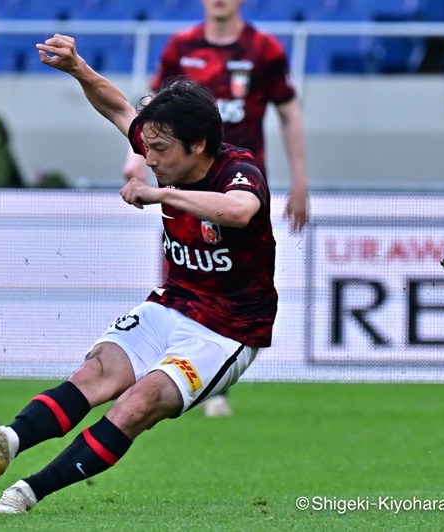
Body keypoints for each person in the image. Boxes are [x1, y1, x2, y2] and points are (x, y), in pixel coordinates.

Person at [0, 33, 278, 514]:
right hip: (174, 302)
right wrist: (78, 67)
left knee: (137, 404)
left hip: (227, 330)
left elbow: (239, 211)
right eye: (147, 147)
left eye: (161, 150)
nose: (149, 159)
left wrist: (162, 195)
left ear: (199, 145)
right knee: (98, 372)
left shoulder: (238, 171)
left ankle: (30, 492)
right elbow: (117, 108)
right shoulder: (166, 152)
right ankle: (9, 440)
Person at [122, 0, 309, 416]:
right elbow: (152, 112)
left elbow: (289, 114)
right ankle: (172, 362)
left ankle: (214, 380)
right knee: (182, 267)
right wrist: (140, 158)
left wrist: (300, 181)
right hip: (182, 174)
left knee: (234, 271)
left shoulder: (264, 49)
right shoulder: (181, 47)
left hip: (237, 182)